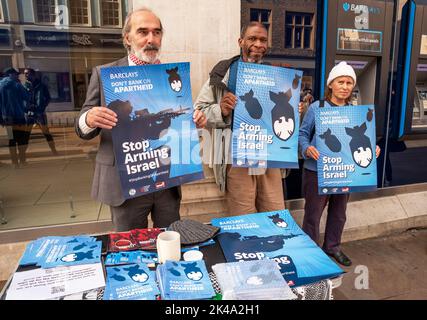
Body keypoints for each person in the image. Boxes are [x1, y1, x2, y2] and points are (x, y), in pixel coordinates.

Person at [75, 8, 206, 232]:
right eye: (142, 32)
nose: (151, 39)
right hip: (125, 181)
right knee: (130, 248)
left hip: (165, 177)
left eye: (156, 33)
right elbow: (83, 125)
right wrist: (89, 118)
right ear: (128, 38)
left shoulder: (171, 76)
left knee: (171, 241)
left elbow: (177, 122)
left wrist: (194, 120)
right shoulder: (105, 73)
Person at [194, 22, 286, 215]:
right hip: (236, 157)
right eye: (252, 38)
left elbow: (285, 115)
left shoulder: (277, 75)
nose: (258, 44)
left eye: (263, 40)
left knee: (274, 213)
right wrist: (221, 110)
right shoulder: (225, 72)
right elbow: (199, 110)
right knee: (243, 215)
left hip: (269, 156)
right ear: (241, 41)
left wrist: (294, 109)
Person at [299, 61, 381, 266]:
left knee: (339, 213)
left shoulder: (356, 112)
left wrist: (373, 150)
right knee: (313, 214)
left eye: (349, 82)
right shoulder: (317, 108)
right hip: (316, 171)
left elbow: (360, 142)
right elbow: (301, 135)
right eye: (340, 81)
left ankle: (332, 247)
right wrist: (307, 148)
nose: (345, 86)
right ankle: (310, 252)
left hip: (345, 171)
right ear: (331, 84)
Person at [0, 67, 31, 168]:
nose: (17, 76)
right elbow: (27, 96)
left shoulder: (0, 85)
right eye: (15, 74)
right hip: (18, 117)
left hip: (7, 118)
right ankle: (22, 161)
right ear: (10, 74)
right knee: (21, 140)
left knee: (11, 140)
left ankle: (14, 163)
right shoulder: (16, 85)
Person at [23, 68, 58, 155]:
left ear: (33, 75)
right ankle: (22, 156)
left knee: (46, 133)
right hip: (29, 114)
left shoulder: (42, 86)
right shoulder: (24, 86)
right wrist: (26, 107)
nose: (25, 75)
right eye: (25, 74)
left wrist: (42, 107)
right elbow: (21, 99)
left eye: (27, 73)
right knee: (26, 135)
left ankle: (54, 150)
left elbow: (48, 98)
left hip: (40, 113)